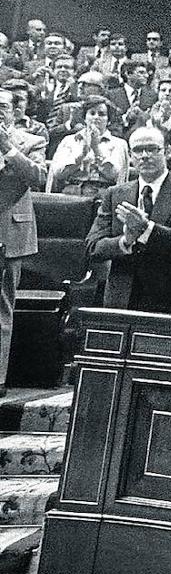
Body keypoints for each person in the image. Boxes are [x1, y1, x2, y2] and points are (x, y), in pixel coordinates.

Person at [85, 126, 171, 314]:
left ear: (167, 152)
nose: (144, 156)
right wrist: (125, 241)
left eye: (152, 149)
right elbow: (93, 247)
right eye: (137, 150)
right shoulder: (115, 193)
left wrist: (147, 229)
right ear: (131, 157)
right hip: (122, 300)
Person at [0, 88, 47, 395]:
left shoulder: (31, 141)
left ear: (15, 112)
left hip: (8, 234)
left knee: (1, 308)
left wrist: (6, 147)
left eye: (2, 107)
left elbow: (39, 177)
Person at [48, 95, 128, 197]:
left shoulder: (118, 144)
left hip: (102, 194)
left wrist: (96, 149)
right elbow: (58, 173)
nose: (96, 117)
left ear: (108, 120)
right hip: (71, 193)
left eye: (102, 114)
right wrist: (82, 155)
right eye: (92, 113)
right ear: (85, 118)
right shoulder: (69, 140)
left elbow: (115, 175)